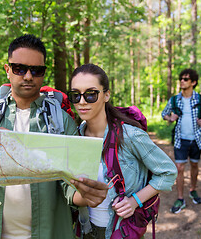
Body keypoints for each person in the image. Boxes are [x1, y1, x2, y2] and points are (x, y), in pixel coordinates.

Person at [0, 34, 108, 239]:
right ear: (7, 70)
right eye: (19, 69)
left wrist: (86, 195)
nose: (27, 76)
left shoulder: (61, 121)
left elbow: (69, 186)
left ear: (43, 74)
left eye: (36, 70)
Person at [68, 63, 177, 239]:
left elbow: (167, 172)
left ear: (106, 95)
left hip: (121, 231)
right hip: (85, 230)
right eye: (76, 95)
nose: (82, 101)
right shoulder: (77, 134)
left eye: (90, 94)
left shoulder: (129, 135)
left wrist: (135, 201)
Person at [161, 68, 201, 214]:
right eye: (181, 78)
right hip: (180, 140)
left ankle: (193, 190)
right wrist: (170, 118)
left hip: (197, 139)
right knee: (180, 168)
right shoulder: (174, 100)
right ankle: (180, 198)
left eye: (186, 79)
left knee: (194, 165)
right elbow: (164, 114)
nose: (182, 81)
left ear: (193, 82)